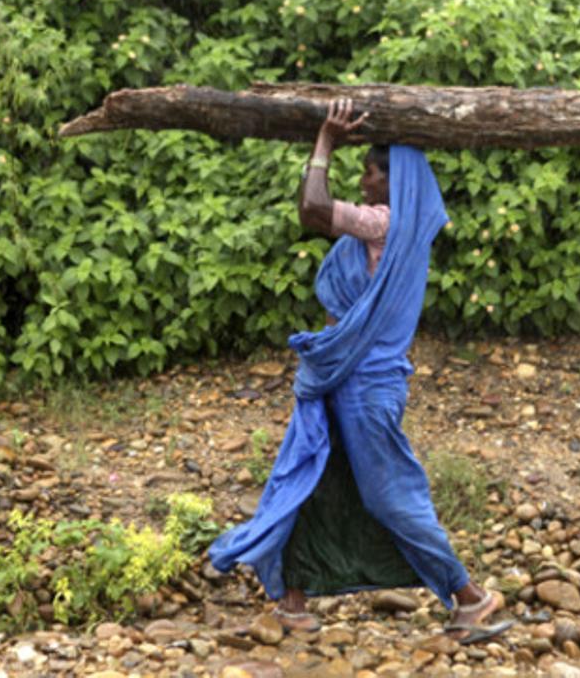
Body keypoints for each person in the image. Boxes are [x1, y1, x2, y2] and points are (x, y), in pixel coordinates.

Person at [208, 99, 510, 644]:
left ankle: (470, 597)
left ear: (395, 182)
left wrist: (325, 141)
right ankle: (293, 600)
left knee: (388, 495)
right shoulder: (397, 230)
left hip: (367, 386)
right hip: (343, 378)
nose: (364, 181)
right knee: (310, 476)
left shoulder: (383, 225)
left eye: (370, 172)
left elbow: (312, 209)